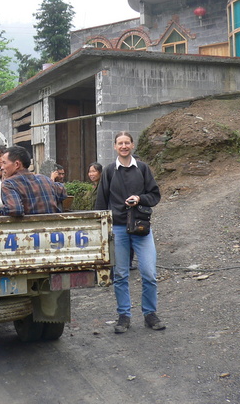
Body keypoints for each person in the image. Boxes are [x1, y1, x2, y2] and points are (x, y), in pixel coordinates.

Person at [94, 131, 164, 333]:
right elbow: (101, 202)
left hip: (141, 228)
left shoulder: (142, 168)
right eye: (120, 143)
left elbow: (155, 195)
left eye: (127, 143)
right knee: (121, 274)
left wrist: (139, 199)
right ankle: (124, 316)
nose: (124, 146)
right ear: (115, 147)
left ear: (132, 145)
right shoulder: (108, 171)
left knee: (149, 273)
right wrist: (102, 230)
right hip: (118, 228)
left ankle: (150, 314)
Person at [0, 146, 67, 216]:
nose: (2, 167)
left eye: (4, 163)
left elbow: (15, 209)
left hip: (26, 226)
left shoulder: (9, 184)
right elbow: (63, 191)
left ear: (17, 164)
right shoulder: (45, 179)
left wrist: (0, 211)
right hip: (52, 225)